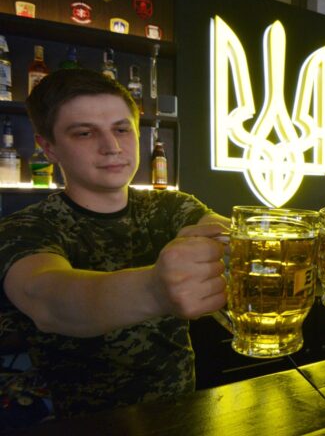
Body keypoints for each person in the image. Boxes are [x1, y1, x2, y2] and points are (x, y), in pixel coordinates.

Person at [0, 69, 229, 419]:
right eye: (85, 133)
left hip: (178, 413)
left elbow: (212, 226)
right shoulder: (27, 226)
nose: (113, 147)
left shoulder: (167, 206)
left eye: (122, 129)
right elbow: (46, 298)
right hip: (79, 423)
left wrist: (228, 238)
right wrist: (156, 290)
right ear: (48, 147)